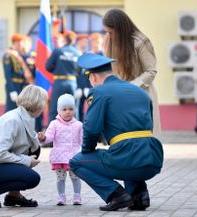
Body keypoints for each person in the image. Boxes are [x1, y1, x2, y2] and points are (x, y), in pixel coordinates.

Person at [69, 53, 164, 211]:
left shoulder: (99, 92)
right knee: (126, 152)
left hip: (129, 157)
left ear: (92, 76)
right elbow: (149, 126)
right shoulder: (139, 91)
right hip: (153, 158)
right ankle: (139, 195)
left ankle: (117, 195)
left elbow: (91, 128)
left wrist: (87, 152)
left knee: (77, 162)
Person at [0, 85, 48, 208]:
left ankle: (13, 195)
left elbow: (26, 144)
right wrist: (27, 160)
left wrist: (38, 139)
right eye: (44, 102)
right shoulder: (12, 120)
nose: (44, 107)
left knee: (35, 149)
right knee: (32, 178)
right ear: (37, 104)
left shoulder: (25, 116)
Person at [103, 8, 161, 136]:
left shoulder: (140, 41)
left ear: (121, 29)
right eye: (106, 32)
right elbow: (107, 67)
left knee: (144, 137)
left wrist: (131, 86)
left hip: (142, 94)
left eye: (111, 32)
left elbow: (151, 71)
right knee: (122, 137)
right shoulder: (108, 39)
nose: (109, 35)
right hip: (119, 95)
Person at [38, 94, 83, 206]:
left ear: (75, 110)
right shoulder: (54, 124)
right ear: (59, 111)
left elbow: (83, 141)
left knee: (75, 177)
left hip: (74, 156)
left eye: (71, 109)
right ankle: (61, 196)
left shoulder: (79, 125)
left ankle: (77, 195)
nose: (68, 112)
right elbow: (49, 136)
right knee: (60, 178)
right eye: (64, 109)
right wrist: (43, 137)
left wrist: (86, 151)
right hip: (60, 157)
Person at [46, 30, 80, 123]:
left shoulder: (58, 51)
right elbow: (81, 71)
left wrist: (57, 69)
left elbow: (48, 67)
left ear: (64, 39)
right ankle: (76, 133)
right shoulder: (78, 53)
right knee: (73, 110)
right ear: (73, 41)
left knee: (54, 109)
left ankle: (51, 134)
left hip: (59, 82)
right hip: (73, 83)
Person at [3, 34, 33, 112]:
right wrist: (12, 90)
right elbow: (7, 75)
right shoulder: (8, 55)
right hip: (14, 85)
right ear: (16, 43)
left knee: (21, 111)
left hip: (22, 86)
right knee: (11, 110)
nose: (22, 45)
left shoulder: (19, 54)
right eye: (21, 43)